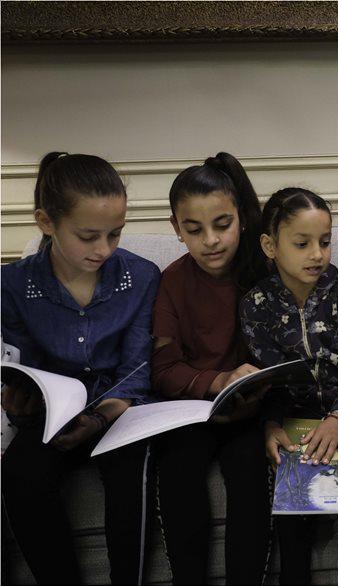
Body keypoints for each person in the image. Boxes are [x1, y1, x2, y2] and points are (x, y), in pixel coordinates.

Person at [1, 152, 160, 584]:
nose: (104, 249)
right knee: (21, 472)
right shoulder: (12, 285)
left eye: (115, 234)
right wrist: (21, 404)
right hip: (51, 414)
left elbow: (136, 370)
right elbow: (23, 369)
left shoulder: (142, 276)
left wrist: (100, 416)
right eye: (88, 236)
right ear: (46, 222)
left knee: (132, 467)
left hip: (118, 410)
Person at [240, 188, 338, 585]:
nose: (317, 254)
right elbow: (268, 381)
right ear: (270, 246)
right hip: (293, 424)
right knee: (293, 518)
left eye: (325, 242)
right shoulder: (256, 304)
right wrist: (270, 424)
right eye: (302, 244)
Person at [150, 152, 272, 585]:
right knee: (178, 470)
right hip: (191, 413)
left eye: (222, 225)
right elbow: (163, 368)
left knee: (250, 470)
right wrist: (215, 381)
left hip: (251, 414)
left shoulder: (265, 273)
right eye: (194, 229)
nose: (211, 241)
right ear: (176, 228)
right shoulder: (173, 280)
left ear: (242, 218)